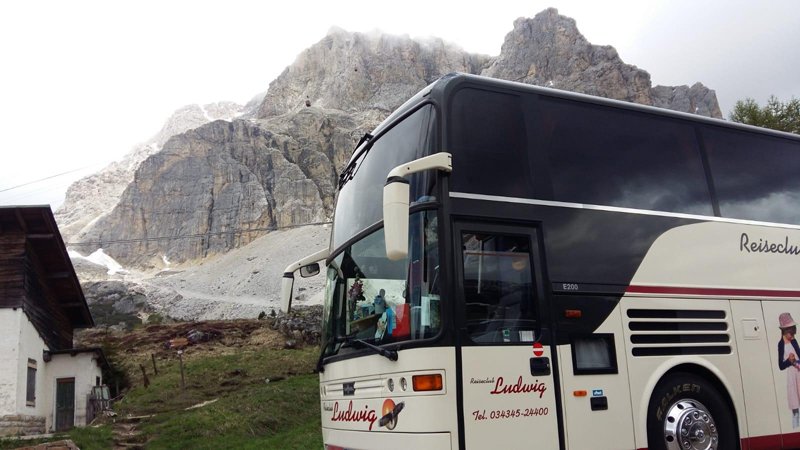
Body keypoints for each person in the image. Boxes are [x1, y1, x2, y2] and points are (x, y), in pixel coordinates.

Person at [778, 312, 800, 428]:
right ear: (784, 330)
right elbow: (781, 365)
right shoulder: (781, 345)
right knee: (795, 404)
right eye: (790, 333)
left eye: (794, 332)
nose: (792, 335)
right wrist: (789, 361)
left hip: (799, 373)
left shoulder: (794, 341)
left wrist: (797, 361)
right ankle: (796, 427)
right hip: (792, 376)